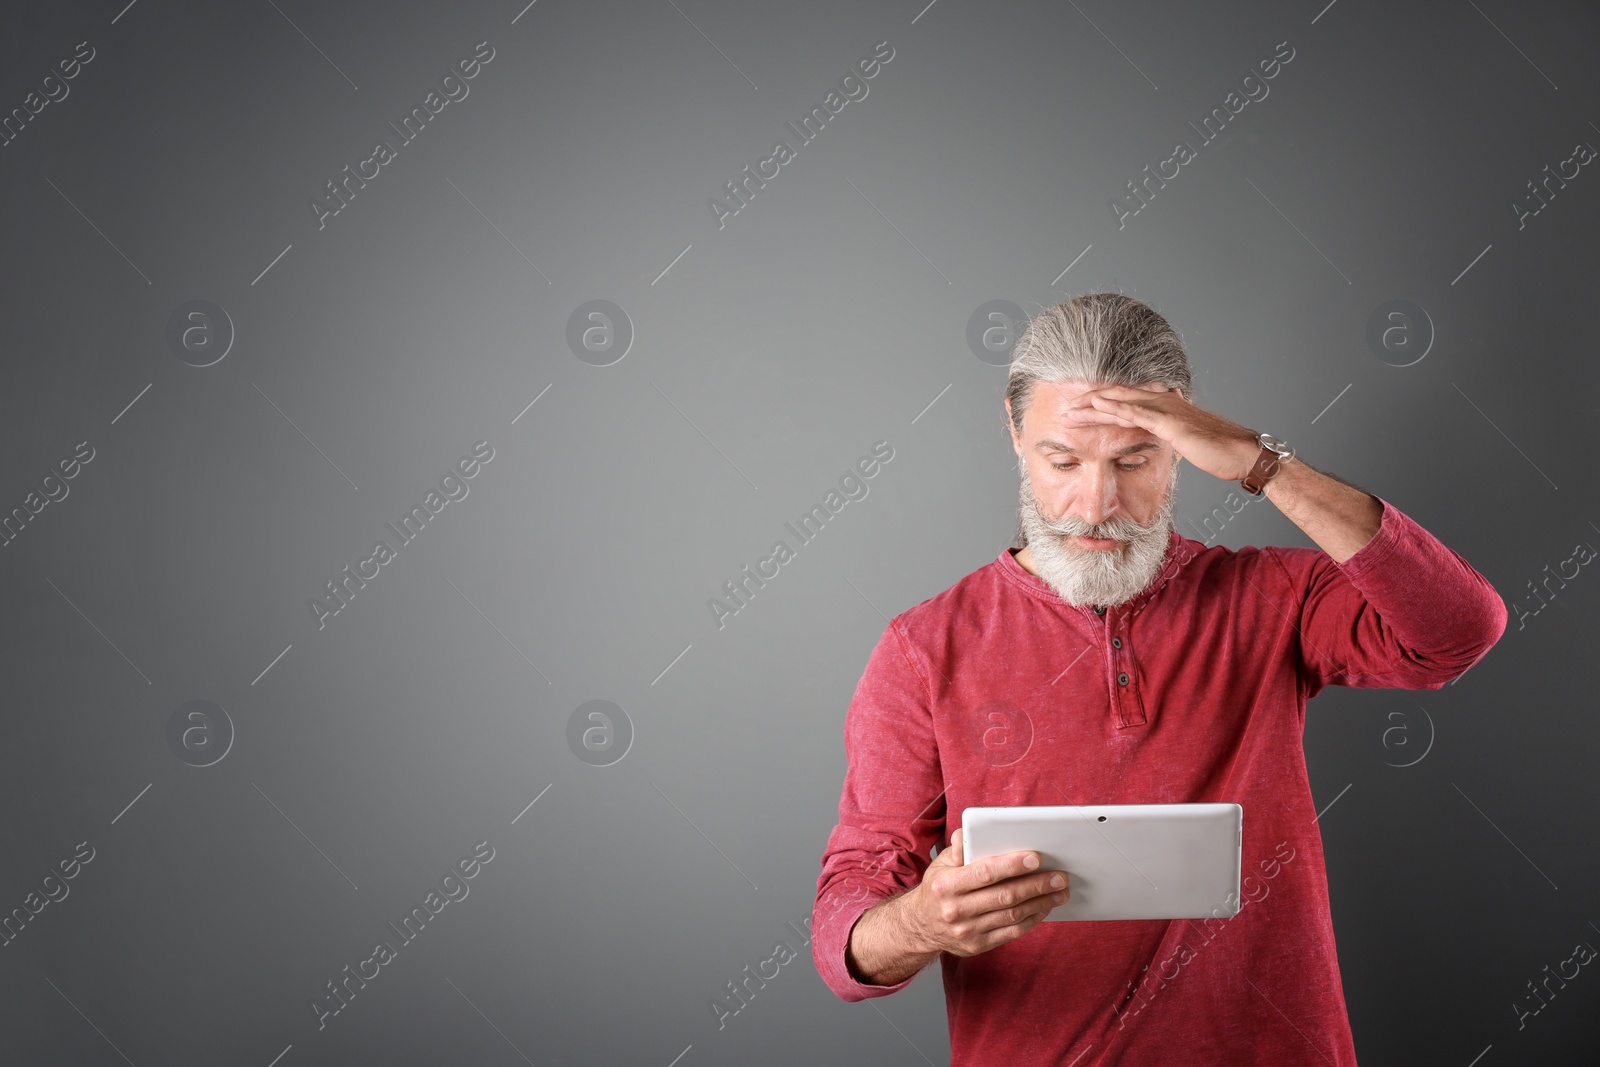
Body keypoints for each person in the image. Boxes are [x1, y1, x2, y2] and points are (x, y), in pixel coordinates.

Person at [810, 292, 1507, 1066]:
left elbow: (1457, 629)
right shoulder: (923, 647)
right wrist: (923, 924)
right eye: (1063, 460)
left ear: (1184, 447)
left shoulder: (1271, 597)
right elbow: (847, 925)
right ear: (1013, 433)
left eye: (1134, 460)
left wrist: (1261, 464)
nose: (1097, 504)